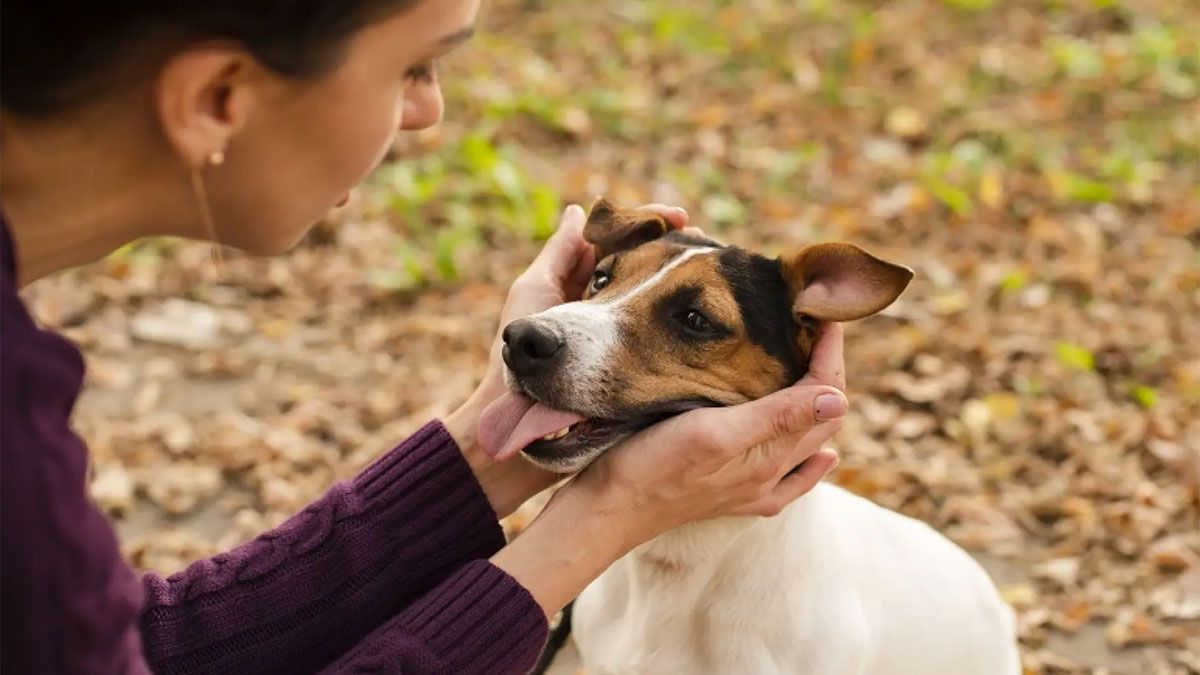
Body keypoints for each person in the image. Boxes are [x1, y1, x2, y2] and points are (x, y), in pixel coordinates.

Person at [0, 1, 850, 673]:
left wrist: (490, 442)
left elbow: (137, 647)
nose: (428, 111)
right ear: (218, 97)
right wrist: (597, 526)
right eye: (415, 65)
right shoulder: (18, 457)